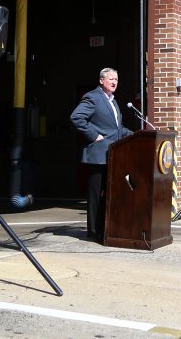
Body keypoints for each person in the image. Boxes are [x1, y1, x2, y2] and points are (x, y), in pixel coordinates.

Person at [70, 67, 131, 241]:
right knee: (96, 195)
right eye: (111, 79)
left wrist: (137, 135)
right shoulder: (93, 97)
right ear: (101, 80)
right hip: (97, 155)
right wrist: (94, 136)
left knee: (108, 193)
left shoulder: (113, 101)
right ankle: (92, 231)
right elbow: (76, 117)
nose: (114, 82)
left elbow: (117, 130)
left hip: (112, 155)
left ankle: (103, 229)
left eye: (117, 80)